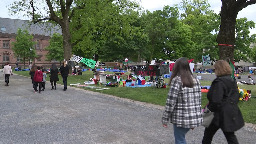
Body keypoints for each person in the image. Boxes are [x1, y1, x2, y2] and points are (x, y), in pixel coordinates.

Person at [202, 60, 244, 144]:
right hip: (229, 111)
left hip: (218, 114)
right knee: (230, 136)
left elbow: (216, 100)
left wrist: (208, 110)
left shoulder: (219, 82)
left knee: (207, 136)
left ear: (218, 69)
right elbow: (236, 95)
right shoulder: (232, 80)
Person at [162, 57, 202, 144]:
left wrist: (165, 119)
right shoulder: (196, 80)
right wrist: (193, 120)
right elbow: (198, 100)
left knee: (180, 140)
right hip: (192, 117)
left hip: (181, 118)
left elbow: (170, 102)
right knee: (181, 138)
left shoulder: (177, 80)